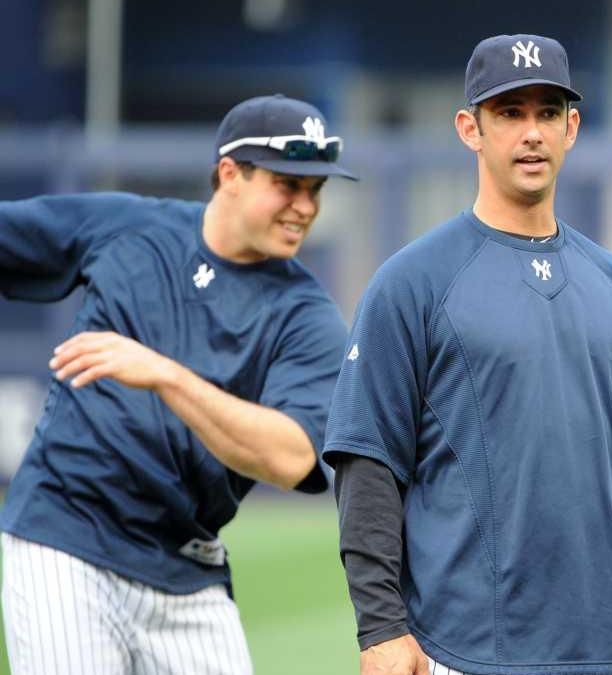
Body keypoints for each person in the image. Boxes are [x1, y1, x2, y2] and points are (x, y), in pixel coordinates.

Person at [323, 34, 612, 675]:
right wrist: (380, 628)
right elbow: (368, 466)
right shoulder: (411, 281)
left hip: (607, 647)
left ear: (572, 127)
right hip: (466, 648)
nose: (531, 132)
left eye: (546, 112)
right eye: (509, 112)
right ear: (470, 128)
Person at [0, 94, 355, 674]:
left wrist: (167, 376)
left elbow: (293, 457)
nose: (304, 205)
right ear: (229, 174)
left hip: (186, 566)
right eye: (287, 184)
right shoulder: (129, 229)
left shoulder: (306, 314)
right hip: (63, 539)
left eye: (315, 189)